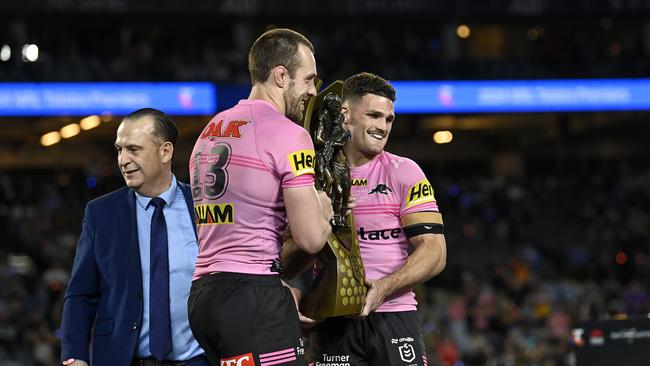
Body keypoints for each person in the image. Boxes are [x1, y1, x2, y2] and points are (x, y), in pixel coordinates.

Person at [187, 28, 333, 366]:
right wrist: (323, 210)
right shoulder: (288, 134)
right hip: (251, 295)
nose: (313, 91)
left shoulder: (211, 129)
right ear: (281, 76)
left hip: (203, 298)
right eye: (309, 79)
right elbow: (310, 238)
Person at [288, 72, 447, 366]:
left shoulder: (405, 171)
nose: (383, 127)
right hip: (331, 319)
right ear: (345, 115)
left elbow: (435, 251)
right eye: (374, 115)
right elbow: (288, 252)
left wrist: (383, 289)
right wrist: (295, 292)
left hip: (394, 317)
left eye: (389, 119)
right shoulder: (311, 177)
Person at [60, 108, 207, 366]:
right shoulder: (100, 214)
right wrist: (76, 355)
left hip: (198, 359)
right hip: (124, 359)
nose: (123, 160)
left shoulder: (203, 206)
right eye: (119, 149)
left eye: (134, 149)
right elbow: (81, 294)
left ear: (166, 151)